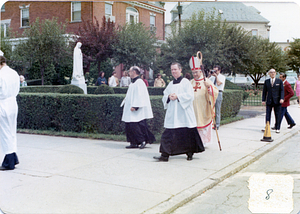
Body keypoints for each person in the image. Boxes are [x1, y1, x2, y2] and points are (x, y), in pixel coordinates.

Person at [153, 62, 204, 162]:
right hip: (173, 113)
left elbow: (190, 96)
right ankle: (165, 155)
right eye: (172, 70)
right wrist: (168, 97)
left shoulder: (186, 82)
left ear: (180, 70)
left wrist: (178, 96)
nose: (173, 71)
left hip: (184, 113)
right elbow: (165, 95)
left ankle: (190, 153)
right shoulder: (171, 84)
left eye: (175, 69)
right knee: (168, 134)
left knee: (187, 134)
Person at [121, 66, 155, 149]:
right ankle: (133, 142)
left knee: (136, 126)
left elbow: (140, 95)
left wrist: (136, 106)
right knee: (129, 125)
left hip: (136, 109)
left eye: (130, 71)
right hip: (130, 108)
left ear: (134, 72)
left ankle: (142, 140)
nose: (129, 73)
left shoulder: (139, 82)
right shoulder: (133, 83)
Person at [190, 61, 218, 146]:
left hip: (204, 107)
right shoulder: (190, 82)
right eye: (193, 72)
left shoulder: (207, 81)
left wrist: (209, 88)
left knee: (203, 126)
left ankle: (204, 142)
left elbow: (215, 92)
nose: (194, 74)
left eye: (196, 72)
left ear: (201, 72)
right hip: (192, 108)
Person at [0, 56, 20, 170]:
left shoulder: (1, 75)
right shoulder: (13, 73)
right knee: (11, 130)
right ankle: (13, 156)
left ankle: (9, 161)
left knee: (5, 132)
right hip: (12, 102)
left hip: (2, 104)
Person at [262, 69, 284, 133]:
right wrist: (263, 99)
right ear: (269, 74)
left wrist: (282, 98)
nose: (273, 73)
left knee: (277, 114)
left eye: (274, 72)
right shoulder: (267, 81)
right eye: (271, 72)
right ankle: (267, 127)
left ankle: (277, 127)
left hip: (277, 101)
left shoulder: (279, 81)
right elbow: (264, 91)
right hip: (269, 101)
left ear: (275, 73)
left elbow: (282, 90)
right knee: (268, 115)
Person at [209, 65, 225, 130]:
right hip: (212, 93)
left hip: (218, 92)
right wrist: (209, 75)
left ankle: (217, 125)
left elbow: (218, 83)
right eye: (214, 70)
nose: (214, 72)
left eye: (216, 70)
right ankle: (211, 124)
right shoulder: (212, 77)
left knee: (217, 110)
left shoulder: (222, 77)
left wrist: (216, 77)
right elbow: (206, 81)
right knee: (211, 109)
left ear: (219, 70)